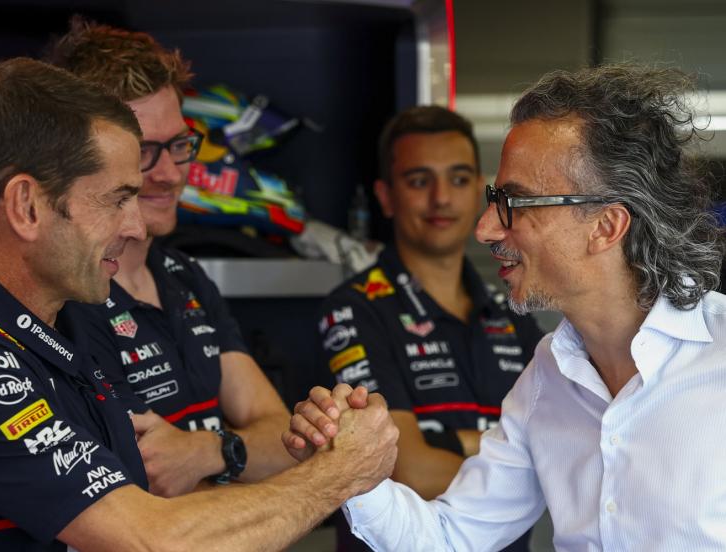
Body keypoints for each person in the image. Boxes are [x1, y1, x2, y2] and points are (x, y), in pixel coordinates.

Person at [0, 57, 398, 551]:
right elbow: (153, 538)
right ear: (27, 207)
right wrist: (339, 473)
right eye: (117, 199)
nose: (136, 226)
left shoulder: (50, 333)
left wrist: (282, 454)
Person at [286, 64, 726, 551]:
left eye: (515, 203)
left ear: (605, 227)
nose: (485, 229)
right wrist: (345, 469)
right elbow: (450, 538)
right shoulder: (547, 377)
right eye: (495, 199)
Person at [45, 19, 296, 494]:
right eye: (143, 150)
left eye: (179, 145)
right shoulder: (65, 300)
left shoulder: (185, 275)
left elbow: (283, 439)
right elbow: (149, 493)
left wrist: (209, 451)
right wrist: (244, 461)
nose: (171, 174)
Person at [315, 106, 541, 551]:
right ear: (386, 196)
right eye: (420, 181)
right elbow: (406, 470)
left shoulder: (512, 312)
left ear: (479, 190)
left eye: (458, 179)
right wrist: (519, 458)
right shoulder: (354, 309)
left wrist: (443, 441)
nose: (441, 198)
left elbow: (567, 444)